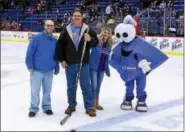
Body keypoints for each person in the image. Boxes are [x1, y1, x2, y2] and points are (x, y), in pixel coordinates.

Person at [55, 9, 99, 117]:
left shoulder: (88, 29)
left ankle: (89, 106)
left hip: (84, 63)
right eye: (75, 15)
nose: (76, 17)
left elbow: (96, 42)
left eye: (78, 16)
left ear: (82, 17)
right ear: (72, 17)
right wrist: (62, 60)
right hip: (70, 63)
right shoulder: (66, 30)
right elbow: (60, 46)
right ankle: (71, 105)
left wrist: (90, 40)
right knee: (71, 86)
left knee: (85, 86)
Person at [25, 20, 59, 117]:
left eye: (51, 26)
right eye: (48, 25)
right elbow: (30, 52)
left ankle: (47, 107)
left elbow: (55, 55)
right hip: (36, 70)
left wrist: (56, 66)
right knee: (35, 90)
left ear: (53, 27)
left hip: (49, 70)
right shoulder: (36, 38)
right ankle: (33, 108)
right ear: (44, 26)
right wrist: (29, 65)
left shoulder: (54, 40)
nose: (50, 27)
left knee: (47, 90)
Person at [90, 27, 112, 110]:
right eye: (105, 32)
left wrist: (107, 70)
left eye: (108, 33)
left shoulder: (108, 46)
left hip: (102, 69)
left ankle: (96, 103)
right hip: (93, 68)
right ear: (102, 32)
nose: (106, 34)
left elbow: (106, 60)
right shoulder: (96, 42)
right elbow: (88, 48)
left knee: (98, 87)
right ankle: (92, 104)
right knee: (94, 87)